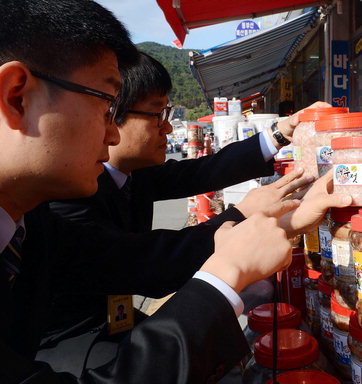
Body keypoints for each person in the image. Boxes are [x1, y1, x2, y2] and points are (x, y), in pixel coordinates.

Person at [0, 1, 348, 382]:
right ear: (17, 97)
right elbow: (141, 263)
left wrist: (277, 204)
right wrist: (226, 273)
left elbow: (193, 179)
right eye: (104, 105)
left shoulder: (29, 220)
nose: (112, 132)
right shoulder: (56, 202)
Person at [37, 52, 319, 373]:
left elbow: (201, 171)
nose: (168, 128)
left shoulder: (133, 173)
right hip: (73, 341)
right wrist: (239, 219)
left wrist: (280, 133)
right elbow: (142, 263)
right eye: (158, 114)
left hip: (116, 317)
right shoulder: (68, 191)